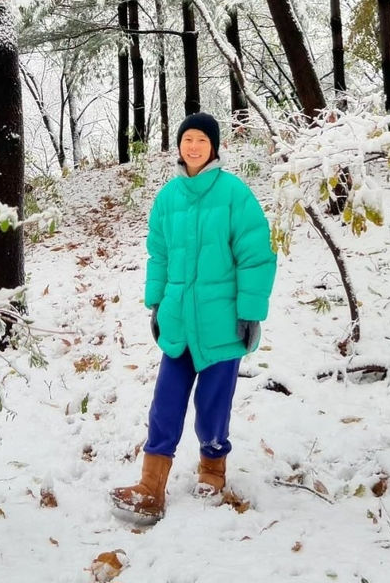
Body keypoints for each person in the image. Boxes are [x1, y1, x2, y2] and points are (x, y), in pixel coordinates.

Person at [110, 111, 276, 522]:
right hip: (180, 322)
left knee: (212, 407)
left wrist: (250, 313)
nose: (194, 146)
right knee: (165, 403)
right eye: (188, 140)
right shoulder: (168, 198)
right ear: (180, 146)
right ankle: (151, 486)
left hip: (222, 324)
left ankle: (212, 468)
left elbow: (256, 256)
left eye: (202, 139)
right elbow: (159, 256)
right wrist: (156, 305)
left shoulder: (234, 194)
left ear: (214, 146)